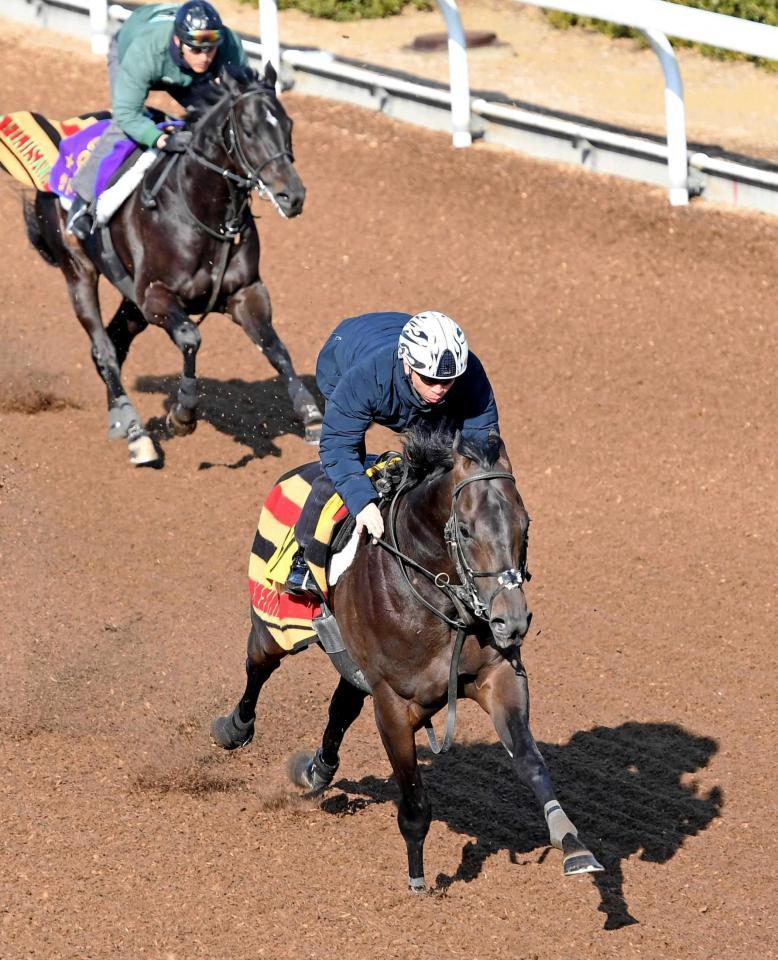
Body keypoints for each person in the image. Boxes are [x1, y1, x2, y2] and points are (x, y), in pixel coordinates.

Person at [286, 309, 499, 595]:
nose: (439, 390)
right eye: (429, 379)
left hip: (393, 354)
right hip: (344, 351)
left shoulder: (468, 373)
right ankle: (303, 556)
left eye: (447, 382)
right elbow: (337, 447)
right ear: (409, 364)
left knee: (446, 462)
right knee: (346, 469)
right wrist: (361, 502)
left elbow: (481, 438)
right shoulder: (366, 378)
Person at [67, 1, 247, 239]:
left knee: (217, 121)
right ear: (177, 41)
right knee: (123, 128)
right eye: (196, 50)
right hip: (131, 54)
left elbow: (243, 103)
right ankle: (81, 203)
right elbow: (127, 113)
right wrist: (160, 139)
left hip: (185, 75)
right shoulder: (146, 50)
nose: (204, 58)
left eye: (211, 49)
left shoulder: (230, 47)